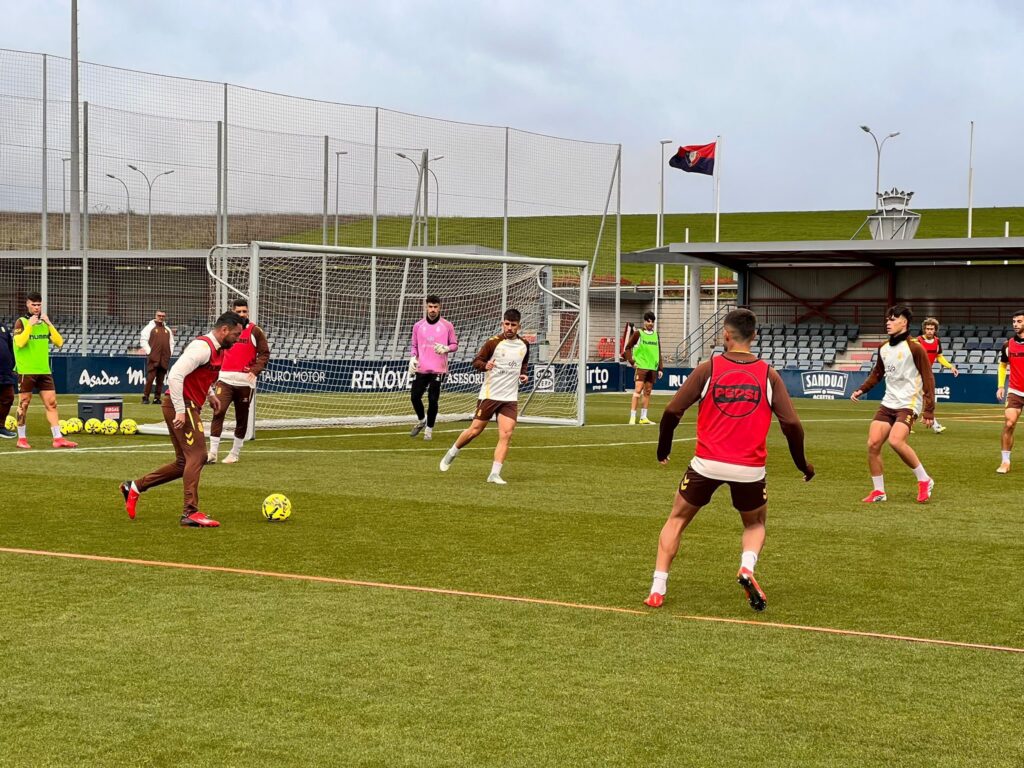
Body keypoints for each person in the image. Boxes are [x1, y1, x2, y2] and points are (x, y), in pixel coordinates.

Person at [644, 308, 813, 611]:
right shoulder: (768, 374)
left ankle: (658, 588)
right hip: (749, 468)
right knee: (755, 523)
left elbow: (671, 412)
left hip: (707, 464)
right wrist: (803, 465)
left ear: (725, 334)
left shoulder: (708, 368)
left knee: (677, 519)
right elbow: (792, 425)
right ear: (755, 336)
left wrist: (663, 448)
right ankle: (747, 567)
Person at [120, 312, 243, 527]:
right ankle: (190, 512)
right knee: (198, 455)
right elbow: (175, 375)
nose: (237, 338)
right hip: (181, 404)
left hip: (188, 404)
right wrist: (180, 410)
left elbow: (202, 377)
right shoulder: (202, 347)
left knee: (183, 462)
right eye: (236, 334)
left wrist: (211, 395)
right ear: (224, 330)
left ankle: (135, 486)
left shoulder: (219, 350)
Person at [851, 305, 936, 503]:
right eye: (887, 319)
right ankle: (879, 492)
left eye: (893, 319)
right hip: (888, 402)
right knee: (873, 444)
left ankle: (925, 480)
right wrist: (862, 389)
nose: (888, 322)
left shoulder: (915, 348)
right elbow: (877, 373)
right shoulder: (883, 348)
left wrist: (929, 411)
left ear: (904, 322)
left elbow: (928, 378)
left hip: (909, 402)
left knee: (896, 441)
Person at [439, 308, 529, 485]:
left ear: (519, 326)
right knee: (475, 431)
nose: (509, 328)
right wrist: (485, 366)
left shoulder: (524, 344)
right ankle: (453, 451)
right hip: (490, 394)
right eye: (507, 324)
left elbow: (524, 362)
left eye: (513, 325)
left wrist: (523, 374)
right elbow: (476, 361)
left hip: (510, 398)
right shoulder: (493, 343)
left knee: (506, 434)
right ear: (502, 323)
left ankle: (494, 473)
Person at [207, 298, 271, 464]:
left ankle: (234, 453)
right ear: (233, 312)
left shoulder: (255, 331)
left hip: (245, 382)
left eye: (244, 311)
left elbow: (264, 353)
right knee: (218, 411)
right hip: (225, 379)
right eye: (239, 312)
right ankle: (212, 452)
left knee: (241, 418)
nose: (242, 314)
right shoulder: (225, 329)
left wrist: (255, 371)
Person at [12, 292, 77, 450]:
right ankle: (21, 438)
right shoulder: (21, 322)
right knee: (24, 403)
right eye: (33, 304)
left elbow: (59, 342)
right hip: (27, 370)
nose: (36, 307)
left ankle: (58, 438)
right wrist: (29, 326)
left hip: (44, 370)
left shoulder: (43, 324)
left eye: (39, 305)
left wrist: (49, 324)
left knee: (52, 403)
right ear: (27, 304)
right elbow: (19, 343)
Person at [408, 294, 458, 441]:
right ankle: (422, 420)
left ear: (440, 307)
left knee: (433, 399)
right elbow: (414, 346)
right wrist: (412, 357)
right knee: (414, 397)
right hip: (422, 368)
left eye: (435, 307)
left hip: (438, 369)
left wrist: (446, 348)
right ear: (426, 307)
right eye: (430, 307)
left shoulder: (447, 326)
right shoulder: (418, 326)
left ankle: (429, 430)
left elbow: (454, 345)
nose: (433, 310)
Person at [916, 317, 959, 433]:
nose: (929, 331)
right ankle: (933, 425)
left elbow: (939, 357)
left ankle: (933, 424)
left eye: (932, 329)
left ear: (935, 330)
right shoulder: (918, 341)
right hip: (915, 374)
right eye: (927, 328)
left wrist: (951, 367)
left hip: (926, 373)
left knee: (926, 399)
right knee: (920, 399)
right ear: (924, 329)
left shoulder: (937, 341)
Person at [995, 309, 1024, 474]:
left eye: (1019, 321)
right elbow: (1003, 365)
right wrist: (1000, 386)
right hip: (1015, 391)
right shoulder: (1008, 345)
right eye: (1014, 322)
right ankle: (1005, 462)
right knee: (1009, 423)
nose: (1015, 324)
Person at [624, 311, 663, 424]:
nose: (650, 323)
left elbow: (658, 351)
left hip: (652, 368)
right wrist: (632, 361)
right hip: (641, 367)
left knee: (648, 392)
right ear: (645, 321)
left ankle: (643, 417)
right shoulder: (638, 333)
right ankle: (632, 417)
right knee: (638, 390)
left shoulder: (656, 335)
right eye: (648, 321)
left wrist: (660, 368)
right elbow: (627, 348)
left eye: (652, 321)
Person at [140, 310, 175, 404]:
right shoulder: (149, 328)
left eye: (163, 316)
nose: (161, 317)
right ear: (156, 316)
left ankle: (157, 398)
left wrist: (170, 353)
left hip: (164, 358)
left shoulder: (168, 330)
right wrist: (149, 352)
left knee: (160, 380)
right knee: (150, 379)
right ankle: (145, 397)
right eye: (159, 315)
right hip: (153, 358)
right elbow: (143, 340)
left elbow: (171, 343)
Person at [0, 320, 15, 439]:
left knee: (8, 397)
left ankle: (0, 427)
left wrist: (12, 364)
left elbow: (10, 348)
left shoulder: (3, 327)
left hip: (5, 371)